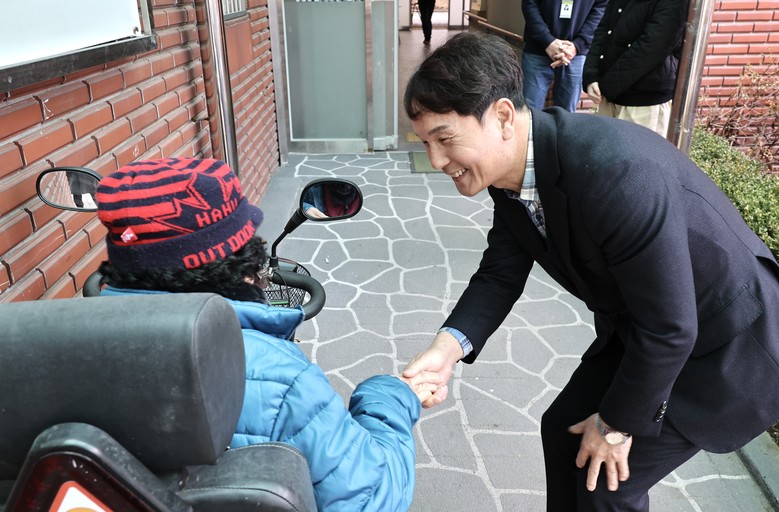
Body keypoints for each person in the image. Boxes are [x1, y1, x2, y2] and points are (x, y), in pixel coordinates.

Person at [401, 32, 779, 511]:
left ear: (502, 117)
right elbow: (499, 275)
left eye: (445, 139)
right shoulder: (512, 173)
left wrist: (616, 427)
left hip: (726, 346)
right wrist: (447, 348)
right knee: (563, 432)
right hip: (650, 328)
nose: (436, 160)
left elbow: (671, 328)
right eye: (426, 142)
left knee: (606, 484)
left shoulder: (616, 173)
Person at [93, 157, 435, 512]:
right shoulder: (282, 381)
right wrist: (391, 397)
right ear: (241, 265)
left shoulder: (66, 358)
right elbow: (372, 500)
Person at [582, 0, 689, 136]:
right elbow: (603, 30)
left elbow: (652, 46)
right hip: (610, 96)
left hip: (644, 102)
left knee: (639, 150)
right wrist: (591, 75)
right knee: (605, 149)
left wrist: (606, 87)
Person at [521, 0, 607, 112]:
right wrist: (546, 40)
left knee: (567, 112)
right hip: (537, 49)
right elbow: (530, 4)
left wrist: (577, 45)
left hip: (575, 54)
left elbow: (600, 10)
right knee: (529, 110)